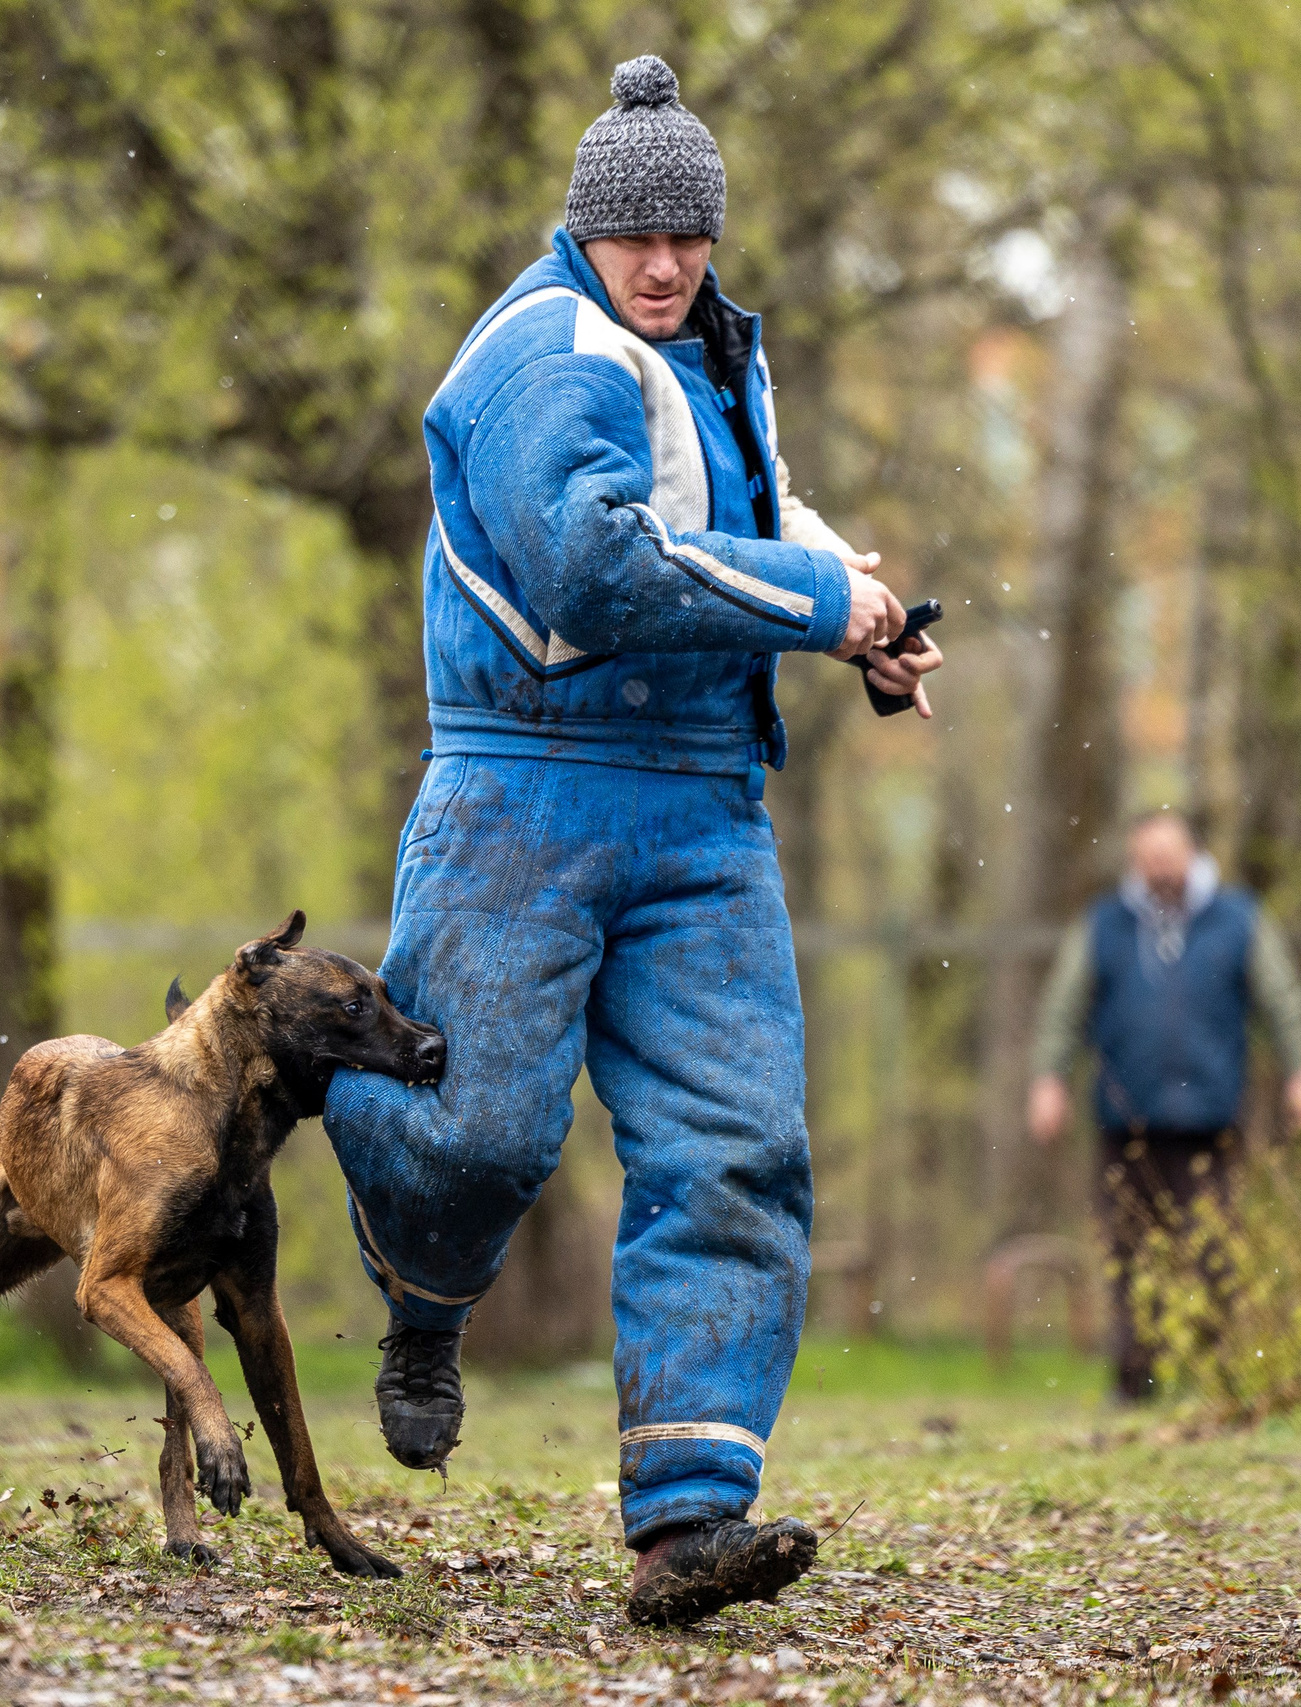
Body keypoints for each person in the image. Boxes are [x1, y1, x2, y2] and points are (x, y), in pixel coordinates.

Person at [319, 55, 941, 1627]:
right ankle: (420, 1288)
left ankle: (689, 1517)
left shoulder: (717, 352)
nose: (663, 263)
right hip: (522, 792)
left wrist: (865, 620)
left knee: (735, 1144)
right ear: (583, 230)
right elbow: (595, 569)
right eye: (635, 236)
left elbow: (747, 515)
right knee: (475, 1129)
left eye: (688, 235)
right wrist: (820, 604)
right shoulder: (541, 351)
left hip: (703, 805)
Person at [1026, 810, 1301, 1401]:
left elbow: (1284, 1001)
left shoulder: (1239, 919)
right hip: (1125, 1117)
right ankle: (1134, 1378)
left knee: (1215, 1253)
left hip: (1211, 1118)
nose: (1160, 866)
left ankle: (1216, 1378)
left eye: (1169, 853)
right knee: (1127, 1252)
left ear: (1193, 853)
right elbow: (1064, 1007)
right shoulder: (1104, 924)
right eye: (1149, 856)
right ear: (1134, 861)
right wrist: (1049, 1079)